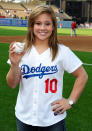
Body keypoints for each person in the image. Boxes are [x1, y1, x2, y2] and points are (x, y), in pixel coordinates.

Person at [6, 5, 88, 131]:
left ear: (53, 27)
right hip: (24, 117)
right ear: (32, 26)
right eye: (38, 23)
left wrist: (70, 101)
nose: (42, 28)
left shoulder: (62, 51)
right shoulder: (22, 50)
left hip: (53, 119)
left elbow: (82, 75)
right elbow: (12, 84)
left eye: (47, 24)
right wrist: (14, 64)